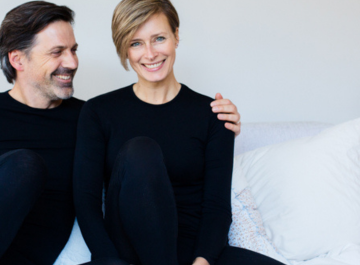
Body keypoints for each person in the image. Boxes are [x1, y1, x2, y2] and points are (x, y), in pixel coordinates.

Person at [0, 1, 243, 265]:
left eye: (73, 49)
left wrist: (221, 123)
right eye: (57, 52)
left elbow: (149, 137)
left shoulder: (89, 116)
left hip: (22, 258)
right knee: (25, 165)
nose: (72, 62)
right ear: (18, 59)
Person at [73, 0, 283, 264]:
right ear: (124, 50)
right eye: (136, 43)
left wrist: (203, 260)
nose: (149, 54)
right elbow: (87, 202)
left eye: (159, 38)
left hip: (193, 252)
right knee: (141, 152)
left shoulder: (214, 114)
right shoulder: (98, 112)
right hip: (129, 255)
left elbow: (217, 207)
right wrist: (107, 259)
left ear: (176, 36)